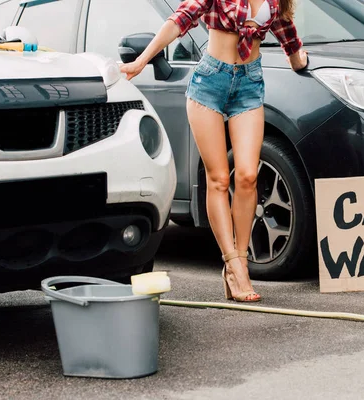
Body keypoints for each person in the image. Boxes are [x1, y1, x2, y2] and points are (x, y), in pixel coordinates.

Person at [120, 0, 308, 302]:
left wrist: (301, 60)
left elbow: (290, 40)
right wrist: (141, 61)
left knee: (247, 175)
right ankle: (233, 265)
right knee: (219, 178)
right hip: (210, 81)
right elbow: (180, 20)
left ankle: (241, 262)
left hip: (250, 83)